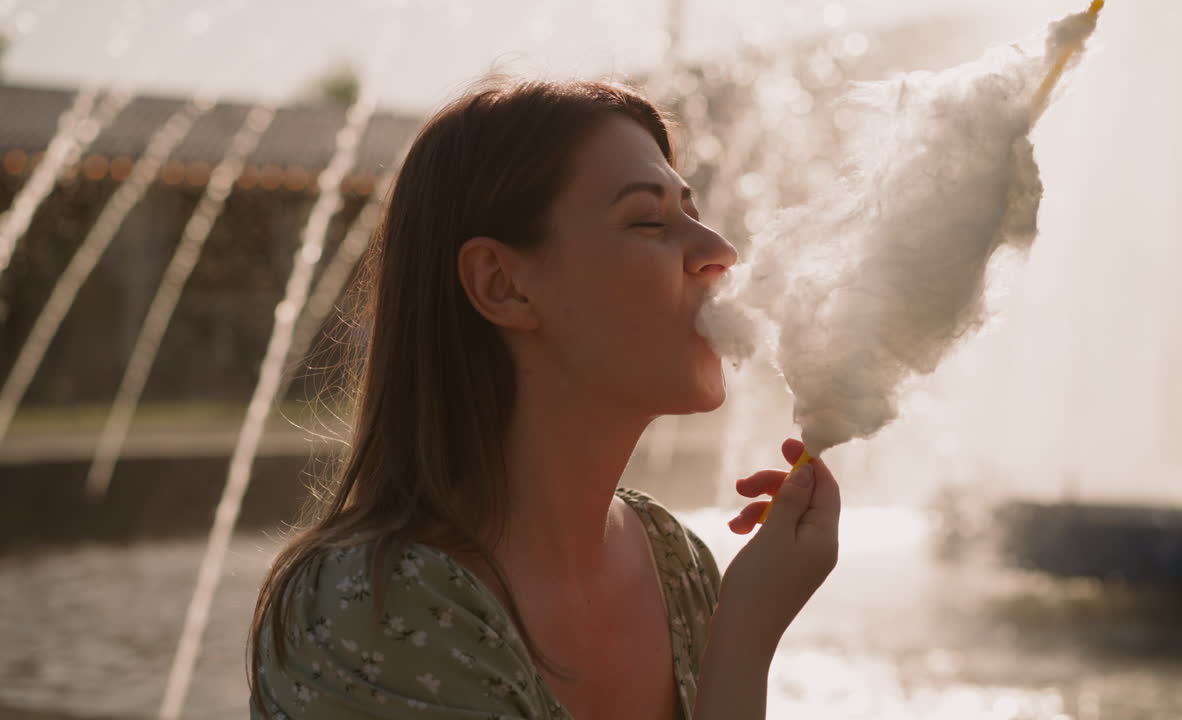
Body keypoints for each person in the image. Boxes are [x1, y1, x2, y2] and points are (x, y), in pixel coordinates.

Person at [248, 75, 841, 720]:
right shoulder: (371, 607)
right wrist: (745, 643)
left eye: (691, 212)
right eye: (648, 219)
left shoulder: (678, 565)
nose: (718, 251)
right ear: (503, 285)